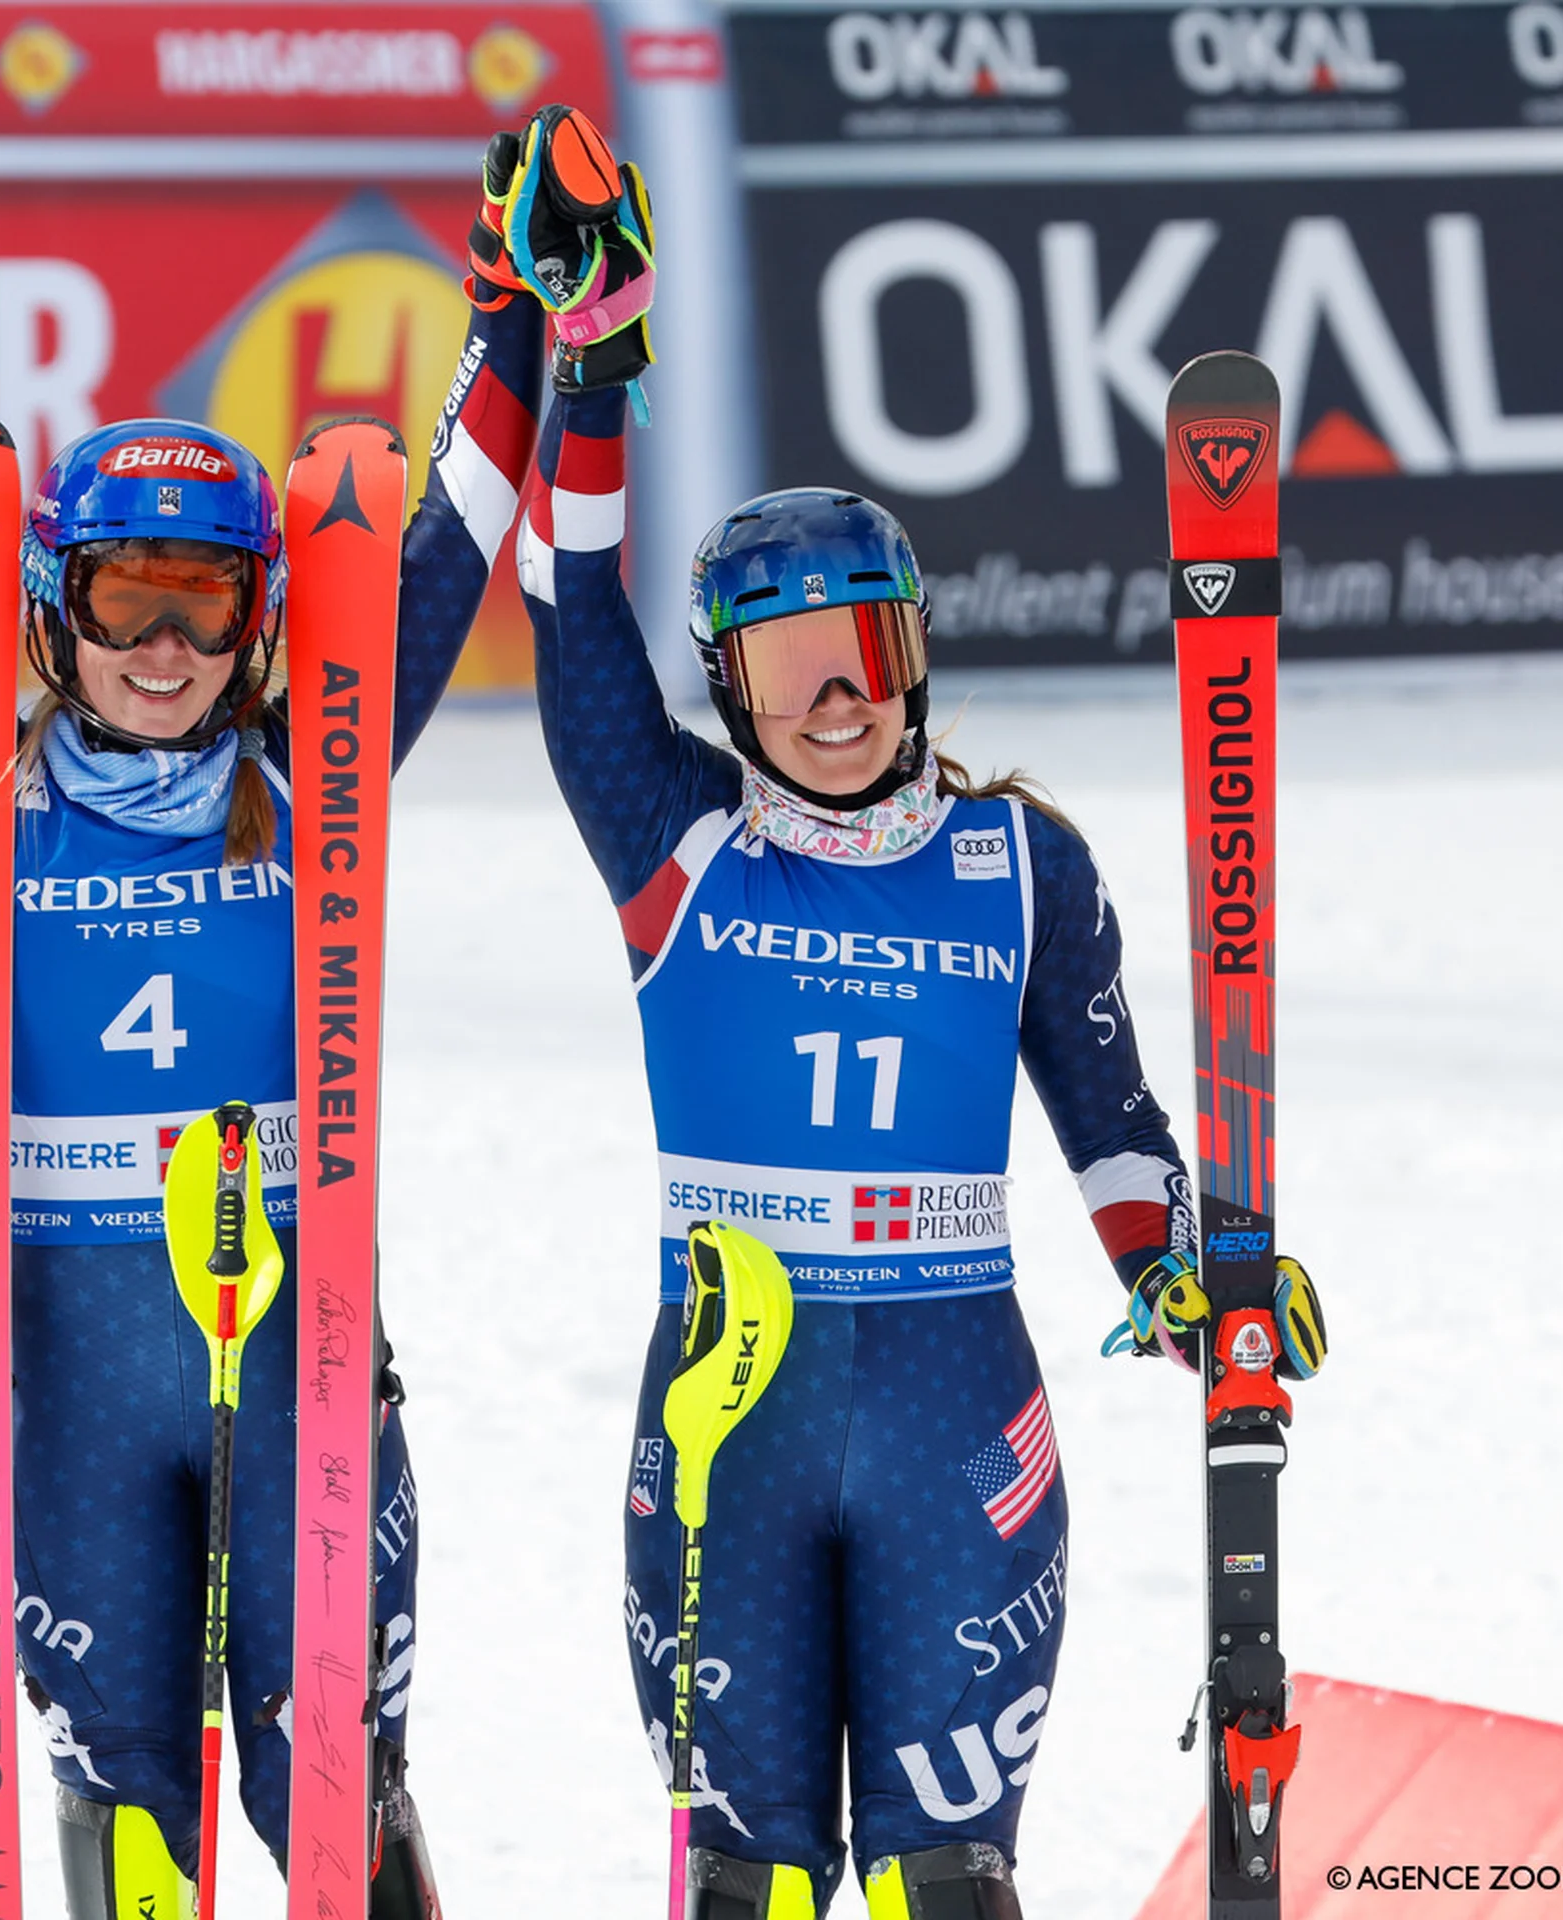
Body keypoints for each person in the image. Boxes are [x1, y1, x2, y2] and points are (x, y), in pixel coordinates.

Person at [0, 86, 565, 1920]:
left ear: (262, 626)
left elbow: (449, 528)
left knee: (327, 1782)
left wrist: (518, 304)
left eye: (209, 608)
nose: (165, 649)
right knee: (118, 1803)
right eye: (127, 601)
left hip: (293, 1353)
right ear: (52, 608)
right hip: (51, 1382)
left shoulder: (320, 772)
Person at [504, 120, 1329, 1920]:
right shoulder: (678, 846)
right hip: (728, 1422)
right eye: (788, 667)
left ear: (916, 654)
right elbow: (568, 611)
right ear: (727, 681)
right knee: (752, 1883)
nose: (831, 702)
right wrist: (595, 373)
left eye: (862, 654)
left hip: (963, 1412)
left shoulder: (1020, 860)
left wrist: (1179, 1272)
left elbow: (1109, 1119)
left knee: (948, 1877)